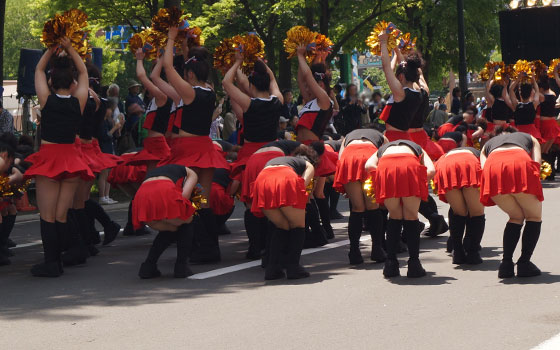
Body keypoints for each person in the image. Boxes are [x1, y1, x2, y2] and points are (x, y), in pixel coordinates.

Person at [25, 38, 94, 277]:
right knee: (62, 215)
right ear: (72, 82)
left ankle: (52, 263)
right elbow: (84, 70)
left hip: (50, 158)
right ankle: (70, 252)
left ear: (52, 82)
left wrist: (51, 48)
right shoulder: (80, 101)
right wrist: (71, 48)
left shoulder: (46, 100)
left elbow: (38, 69)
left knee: (47, 215)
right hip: (72, 159)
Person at [161, 26, 229, 263]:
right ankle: (212, 248)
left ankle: (198, 247)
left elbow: (168, 68)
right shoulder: (210, 90)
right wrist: (184, 47)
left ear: (189, 74)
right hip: (206, 148)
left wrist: (170, 39)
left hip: (188, 150)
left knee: (188, 198)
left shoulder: (188, 93)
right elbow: (189, 66)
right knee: (205, 200)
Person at [365, 140, 435, 278]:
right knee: (411, 216)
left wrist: (382, 178)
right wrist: (417, 180)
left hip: (386, 168)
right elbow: (431, 170)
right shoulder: (417, 147)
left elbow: (369, 166)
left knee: (394, 215)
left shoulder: (383, 149)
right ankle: (414, 264)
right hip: (411, 167)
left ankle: (391, 264)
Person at [479, 128, 543, 278]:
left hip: (492, 169)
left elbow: (483, 168)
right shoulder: (529, 137)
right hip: (520, 163)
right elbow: (536, 163)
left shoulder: (488, 144)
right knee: (534, 216)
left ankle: (506, 264)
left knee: (515, 217)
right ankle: (524, 263)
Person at [251, 152, 317, 280]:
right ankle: (293, 267)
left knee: (282, 226)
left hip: (262, 180)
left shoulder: (280, 160)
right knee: (298, 225)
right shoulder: (307, 164)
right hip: (286, 178)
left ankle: (272, 269)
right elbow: (302, 184)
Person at [295, 44, 337, 246]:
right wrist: (302, 58)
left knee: (314, 193)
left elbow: (309, 78)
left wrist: (303, 57)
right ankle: (322, 230)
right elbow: (302, 78)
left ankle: (322, 230)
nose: (309, 86)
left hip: (314, 150)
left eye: (315, 82)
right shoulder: (310, 99)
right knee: (312, 193)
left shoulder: (324, 100)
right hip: (302, 148)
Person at [240, 140, 305, 259]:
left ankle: (254, 248)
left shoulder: (277, 144)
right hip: (272, 160)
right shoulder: (294, 149)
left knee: (251, 205)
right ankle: (275, 252)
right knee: (279, 208)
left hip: (253, 160)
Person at [333, 128, 387, 265]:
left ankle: (354, 252)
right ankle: (377, 249)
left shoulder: (348, 136)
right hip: (369, 156)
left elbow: (340, 158)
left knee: (357, 208)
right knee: (373, 206)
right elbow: (386, 156)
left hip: (349, 159)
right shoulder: (381, 136)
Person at [134, 164, 198, 279]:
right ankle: (181, 266)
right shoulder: (191, 173)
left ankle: (148, 266)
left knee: (173, 227)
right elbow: (184, 196)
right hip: (164, 190)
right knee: (188, 221)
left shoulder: (158, 171)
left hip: (141, 196)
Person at [434, 147, 485, 264]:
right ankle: (473, 253)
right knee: (476, 213)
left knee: (458, 212)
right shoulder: (478, 151)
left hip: (445, 165)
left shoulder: (447, 153)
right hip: (469, 163)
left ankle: (457, 252)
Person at [126, 50, 173, 170]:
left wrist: (139, 59)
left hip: (157, 145)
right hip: (151, 144)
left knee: (153, 180)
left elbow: (142, 76)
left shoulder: (161, 96)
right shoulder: (157, 99)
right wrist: (160, 57)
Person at [377, 33, 423, 141]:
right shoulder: (418, 89)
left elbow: (387, 67)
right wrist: (397, 52)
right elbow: (404, 66)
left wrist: (383, 42)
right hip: (405, 137)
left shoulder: (401, 93)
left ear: (401, 77)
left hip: (393, 138)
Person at [509, 75, 543, 143]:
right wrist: (533, 79)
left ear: (520, 93)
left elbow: (511, 89)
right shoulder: (534, 105)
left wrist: (518, 79)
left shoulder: (517, 105)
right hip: (532, 133)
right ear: (530, 93)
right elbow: (537, 90)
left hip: (519, 132)